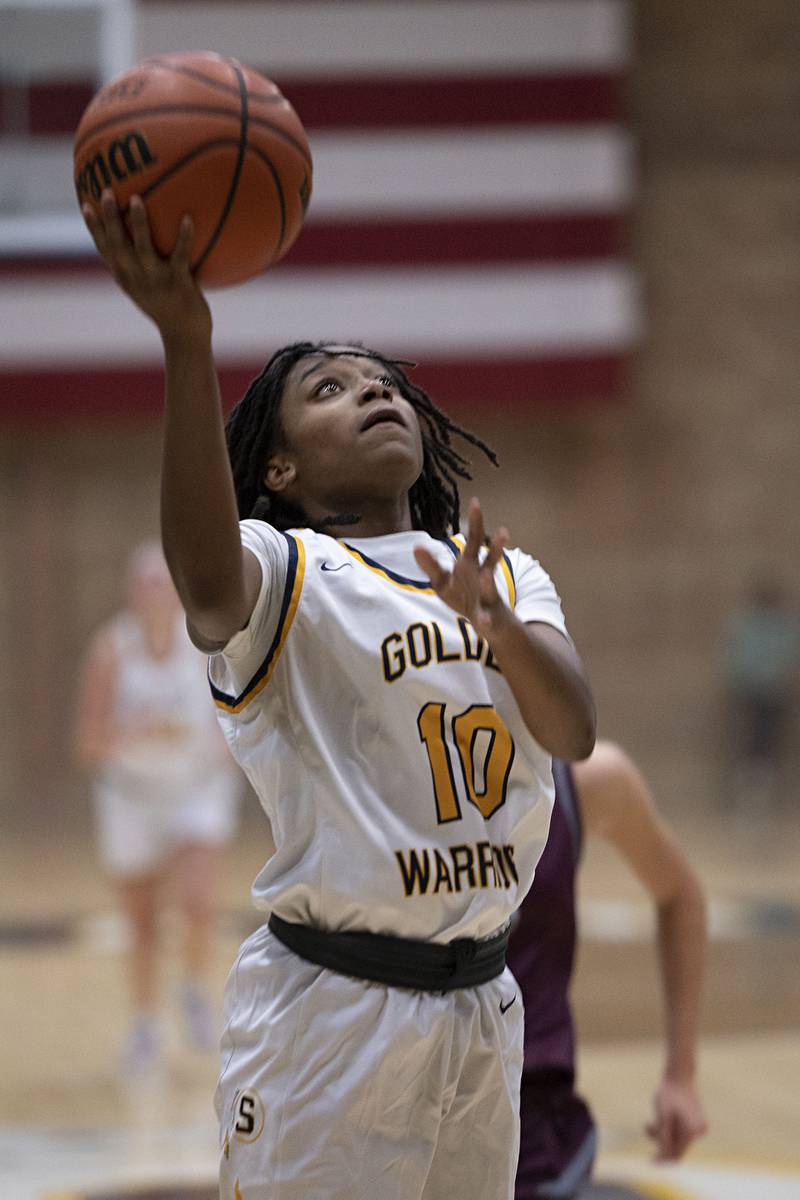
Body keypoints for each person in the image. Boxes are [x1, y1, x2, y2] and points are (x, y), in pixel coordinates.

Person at [81, 190, 596, 1200]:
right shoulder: (285, 571)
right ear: (278, 465)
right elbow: (203, 578)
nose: (373, 394)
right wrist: (189, 345)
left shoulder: (498, 570)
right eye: (328, 389)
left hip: (481, 1008)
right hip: (331, 1017)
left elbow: (570, 728)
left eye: (384, 385)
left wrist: (491, 622)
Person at [508, 741, 708, 1199]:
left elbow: (680, 894)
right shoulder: (390, 772)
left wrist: (681, 1076)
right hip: (409, 1122)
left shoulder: (585, 779)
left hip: (535, 1134)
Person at [74, 540, 241, 1076]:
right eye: (146, 585)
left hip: (194, 789)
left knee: (196, 899)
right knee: (142, 924)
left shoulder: (205, 648)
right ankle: (145, 1023)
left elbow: (230, 724)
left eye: (163, 585)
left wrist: (224, 748)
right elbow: (88, 743)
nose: (155, 594)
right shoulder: (112, 651)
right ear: (131, 593)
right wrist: (131, 738)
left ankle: (194, 989)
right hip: (132, 797)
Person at [718, 575, 800, 813]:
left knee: (764, 747)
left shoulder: (780, 626)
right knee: (754, 747)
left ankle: (758, 801)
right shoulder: (747, 625)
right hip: (753, 695)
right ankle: (751, 802)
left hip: (770, 696)